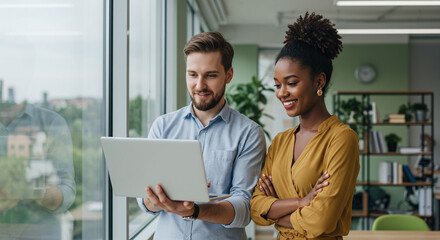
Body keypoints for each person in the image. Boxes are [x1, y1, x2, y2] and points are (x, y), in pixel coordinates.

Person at [137, 32, 266, 240]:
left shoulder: (249, 133)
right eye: (193, 74)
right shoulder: (163, 126)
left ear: (229, 75)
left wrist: (195, 211)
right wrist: (155, 199)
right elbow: (144, 200)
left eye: (210, 75)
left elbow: (244, 208)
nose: (200, 85)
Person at [250, 12, 360, 240]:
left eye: (291, 83)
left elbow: (321, 220)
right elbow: (255, 208)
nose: (282, 93)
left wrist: (276, 210)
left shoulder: (341, 139)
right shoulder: (280, 141)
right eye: (277, 84)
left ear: (319, 81)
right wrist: (302, 202)